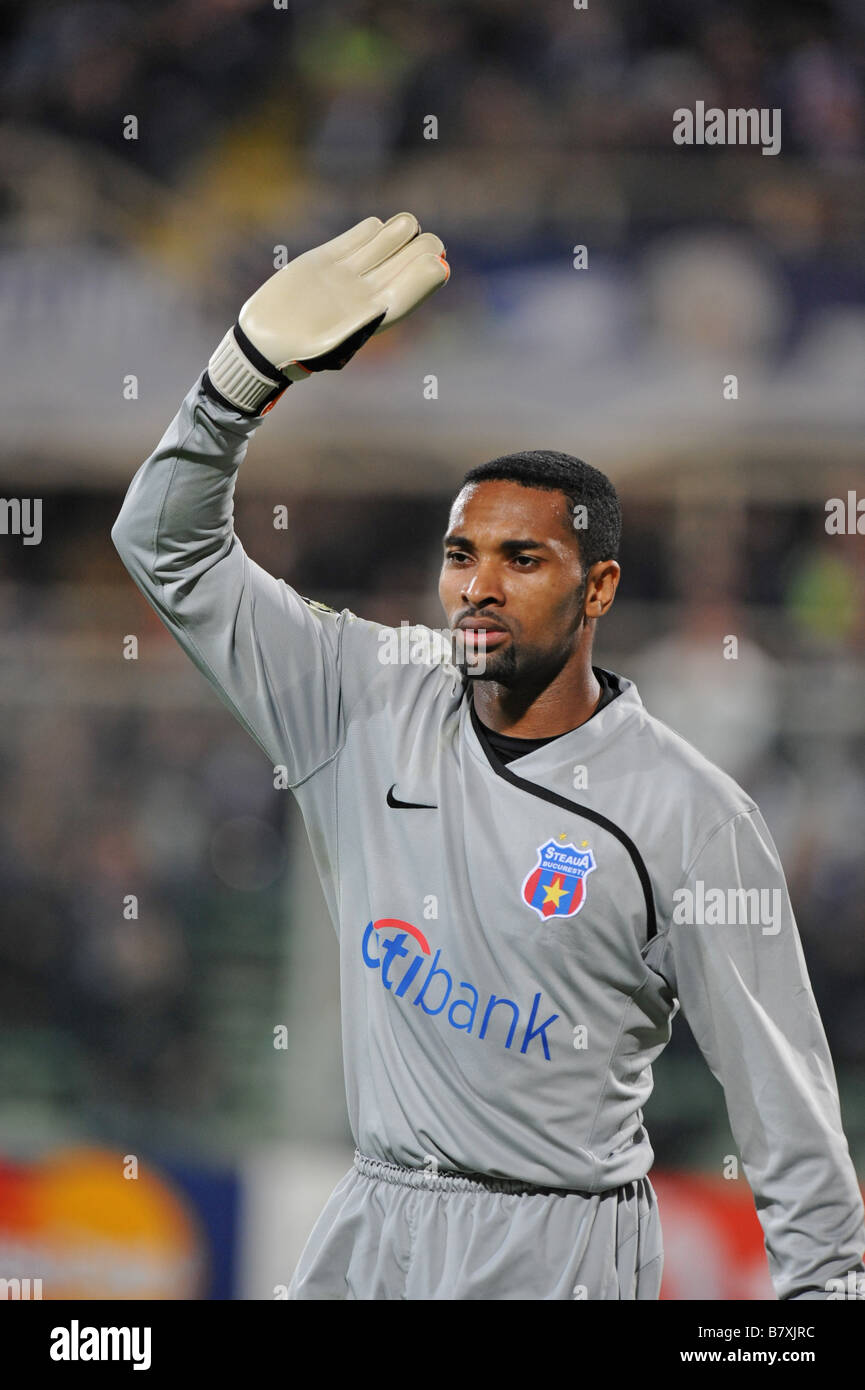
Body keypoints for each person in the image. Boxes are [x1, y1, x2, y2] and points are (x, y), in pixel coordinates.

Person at [111, 213, 865, 1301]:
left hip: (556, 1251)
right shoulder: (360, 697)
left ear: (597, 589)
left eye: (523, 558)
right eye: (460, 554)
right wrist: (240, 378)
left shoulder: (687, 815)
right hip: (368, 1225)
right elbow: (164, 547)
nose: (478, 585)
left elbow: (787, 1117)